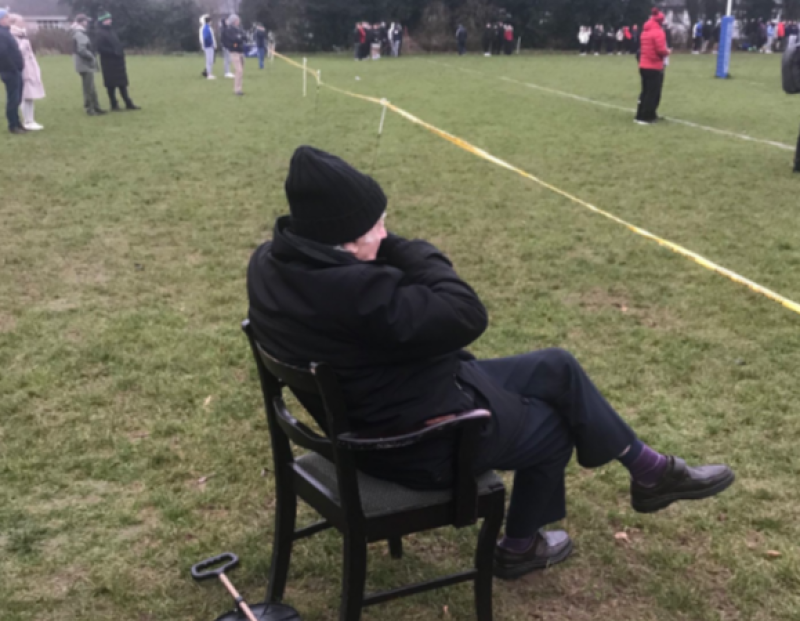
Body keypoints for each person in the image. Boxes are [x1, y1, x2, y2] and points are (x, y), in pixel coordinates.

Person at [247, 146, 735, 578]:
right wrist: (405, 248)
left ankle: (650, 471)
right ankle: (520, 548)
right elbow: (466, 313)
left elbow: (384, 308)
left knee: (557, 366)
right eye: (376, 225)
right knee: (554, 428)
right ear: (346, 242)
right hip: (412, 441)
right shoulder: (358, 292)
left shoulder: (271, 265)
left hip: (382, 402)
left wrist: (371, 244)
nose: (386, 231)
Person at [95, 13, 139, 111]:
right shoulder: (100, 33)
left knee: (122, 84)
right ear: (103, 21)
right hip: (109, 63)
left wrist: (120, 49)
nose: (110, 21)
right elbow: (100, 48)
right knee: (111, 85)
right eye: (108, 19)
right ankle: (114, 104)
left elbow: (116, 44)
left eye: (110, 19)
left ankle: (128, 103)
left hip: (118, 62)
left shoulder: (111, 31)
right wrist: (113, 52)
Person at [8, 14, 44, 131]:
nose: (23, 23)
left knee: (30, 96)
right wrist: (24, 42)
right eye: (20, 21)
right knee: (25, 95)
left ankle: (31, 120)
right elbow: (17, 52)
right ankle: (27, 121)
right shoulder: (12, 35)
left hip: (30, 67)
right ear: (13, 23)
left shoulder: (22, 35)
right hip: (23, 68)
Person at [636, 8, 670, 125]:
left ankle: (640, 114)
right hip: (654, 66)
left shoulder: (645, 32)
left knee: (645, 91)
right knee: (653, 93)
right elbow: (660, 50)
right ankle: (647, 116)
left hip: (643, 65)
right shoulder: (658, 33)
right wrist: (668, 52)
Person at [71, 14, 105, 117]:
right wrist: (91, 57)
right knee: (88, 88)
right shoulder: (79, 34)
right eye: (86, 21)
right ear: (81, 22)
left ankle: (96, 107)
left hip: (84, 64)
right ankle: (90, 109)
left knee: (91, 87)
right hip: (85, 64)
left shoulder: (79, 33)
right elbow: (82, 50)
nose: (87, 23)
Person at [0, 8, 25, 135]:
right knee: (13, 99)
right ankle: (13, 125)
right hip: (10, 72)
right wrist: (13, 68)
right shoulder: (1, 34)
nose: (9, 19)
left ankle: (17, 122)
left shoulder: (6, 32)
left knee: (17, 98)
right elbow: (2, 54)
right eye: (6, 17)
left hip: (15, 71)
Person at [222, 14, 245, 95]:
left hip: (241, 51)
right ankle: (237, 89)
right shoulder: (229, 29)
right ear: (234, 21)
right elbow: (234, 39)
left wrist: (240, 38)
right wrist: (239, 39)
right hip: (234, 51)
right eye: (237, 20)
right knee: (239, 70)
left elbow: (244, 37)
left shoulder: (239, 29)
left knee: (241, 71)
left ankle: (239, 88)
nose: (239, 21)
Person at [199, 14, 216, 79]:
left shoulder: (208, 28)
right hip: (208, 46)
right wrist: (211, 44)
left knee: (210, 61)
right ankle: (208, 74)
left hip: (209, 46)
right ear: (209, 21)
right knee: (209, 61)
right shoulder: (206, 28)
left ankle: (209, 73)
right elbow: (206, 38)